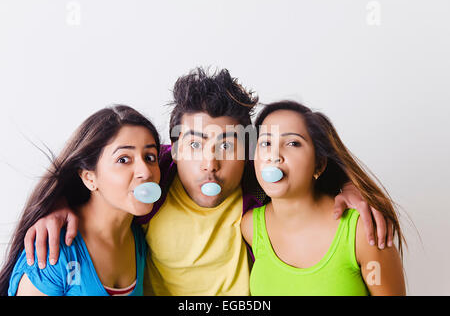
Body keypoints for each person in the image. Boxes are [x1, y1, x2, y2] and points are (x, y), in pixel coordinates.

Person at [19, 68, 394, 296]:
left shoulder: (257, 187)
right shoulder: (156, 176)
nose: (209, 163)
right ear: (175, 149)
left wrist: (349, 186)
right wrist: (58, 204)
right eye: (195, 145)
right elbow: (105, 171)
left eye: (227, 146)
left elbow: (302, 167)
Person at [241, 101, 406, 295]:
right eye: (266, 143)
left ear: (319, 165)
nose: (274, 156)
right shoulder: (250, 227)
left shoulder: (363, 231)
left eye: (293, 143)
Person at [0, 105, 161, 296]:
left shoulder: (139, 239)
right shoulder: (52, 251)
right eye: (123, 160)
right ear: (89, 178)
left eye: (150, 157)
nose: (146, 172)